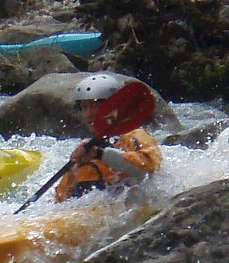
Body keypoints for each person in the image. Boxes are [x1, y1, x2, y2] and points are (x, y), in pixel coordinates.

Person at [54, 71, 162, 201]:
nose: (88, 114)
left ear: (114, 108)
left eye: (95, 105)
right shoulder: (86, 149)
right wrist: (73, 169)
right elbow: (60, 200)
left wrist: (100, 154)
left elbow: (147, 170)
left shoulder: (135, 135)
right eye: (84, 107)